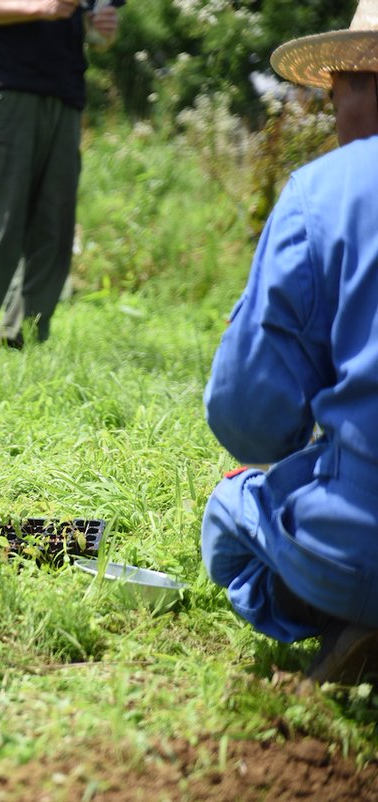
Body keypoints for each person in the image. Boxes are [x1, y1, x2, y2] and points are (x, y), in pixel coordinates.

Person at [201, 0, 378, 684]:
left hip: (362, 548)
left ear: (358, 86)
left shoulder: (323, 191)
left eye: (337, 92)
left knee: (232, 512)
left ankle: (350, 623)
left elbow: (250, 425)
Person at [0, 0, 120, 356]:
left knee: (53, 228)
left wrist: (103, 30)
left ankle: (20, 337)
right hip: (7, 92)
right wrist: (40, 8)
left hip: (66, 100)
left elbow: (98, 30)